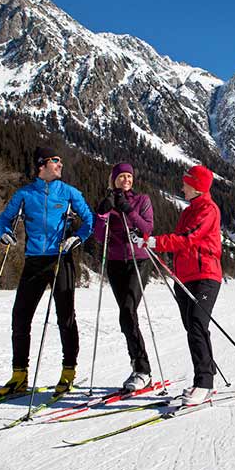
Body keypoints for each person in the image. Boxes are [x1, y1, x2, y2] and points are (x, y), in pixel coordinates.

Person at [0, 146, 94, 396]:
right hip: (34, 261)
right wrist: (4, 233)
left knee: (65, 317)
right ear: (42, 165)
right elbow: (3, 219)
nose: (60, 165)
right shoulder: (25, 195)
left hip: (61, 259)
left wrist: (78, 237)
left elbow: (89, 220)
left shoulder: (69, 192)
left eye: (60, 161)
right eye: (55, 161)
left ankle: (68, 371)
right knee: (20, 316)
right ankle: (19, 375)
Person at [134, 165, 222, 406]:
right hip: (185, 277)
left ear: (197, 186)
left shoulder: (208, 209)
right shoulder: (189, 210)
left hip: (205, 276)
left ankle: (203, 382)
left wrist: (153, 242)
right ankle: (208, 374)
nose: (182, 187)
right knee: (193, 327)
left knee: (196, 325)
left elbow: (188, 239)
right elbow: (182, 244)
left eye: (186, 183)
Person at [94, 163, 155, 391]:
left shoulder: (142, 200)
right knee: (125, 316)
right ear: (114, 179)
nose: (126, 179)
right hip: (115, 263)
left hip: (139, 261)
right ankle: (137, 363)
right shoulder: (108, 202)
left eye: (129, 176)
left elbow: (148, 229)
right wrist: (102, 213)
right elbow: (100, 237)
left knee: (128, 311)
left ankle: (143, 370)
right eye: (122, 176)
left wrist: (128, 210)